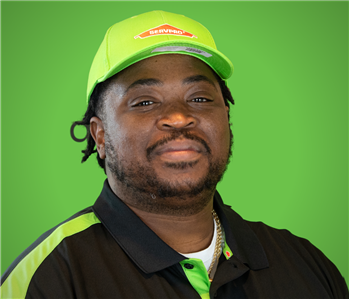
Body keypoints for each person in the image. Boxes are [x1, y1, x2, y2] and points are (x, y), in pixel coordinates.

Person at [1, 10, 348, 299]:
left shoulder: (306, 264)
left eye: (199, 98)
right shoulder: (48, 277)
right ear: (100, 135)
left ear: (226, 118)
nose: (180, 117)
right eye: (145, 102)